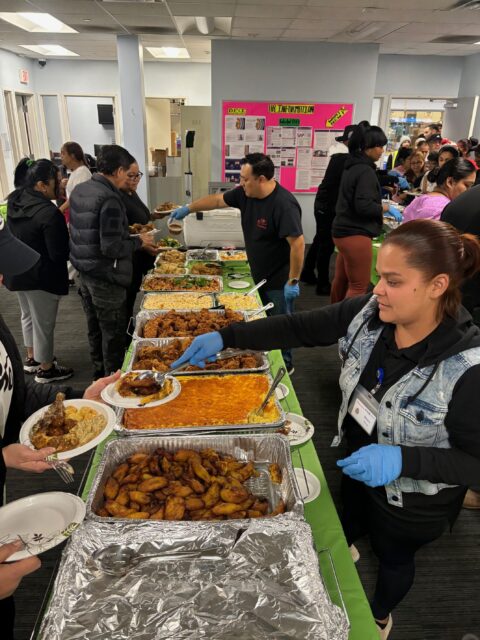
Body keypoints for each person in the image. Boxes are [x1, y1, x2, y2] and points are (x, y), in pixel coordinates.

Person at [172, 219, 480, 640]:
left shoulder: (467, 372)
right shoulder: (370, 314)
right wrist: (227, 337)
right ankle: (348, 544)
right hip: (355, 462)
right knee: (347, 520)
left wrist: (404, 459)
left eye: (392, 281)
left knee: (393, 556)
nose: (377, 290)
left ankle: (380, 616)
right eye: (378, 278)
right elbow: (300, 327)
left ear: (437, 285)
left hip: (411, 502)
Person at [169, 152, 304, 374]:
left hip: (280, 277)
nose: (240, 183)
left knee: (282, 324)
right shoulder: (245, 194)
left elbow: (297, 244)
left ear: (261, 179)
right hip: (258, 271)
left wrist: (293, 280)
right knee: (261, 321)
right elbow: (216, 200)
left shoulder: (284, 204)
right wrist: (189, 208)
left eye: (244, 179)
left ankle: (285, 364)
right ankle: (264, 356)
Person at [69, 145, 156, 378]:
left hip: (83, 274)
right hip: (106, 279)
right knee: (114, 336)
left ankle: (98, 374)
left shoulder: (80, 189)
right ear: (118, 170)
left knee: (94, 329)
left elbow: (87, 234)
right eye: (129, 173)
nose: (130, 178)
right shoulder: (110, 199)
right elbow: (111, 247)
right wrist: (139, 242)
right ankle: (112, 385)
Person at [4, 159, 73, 383]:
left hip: (17, 271)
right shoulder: (48, 213)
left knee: (28, 316)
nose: (60, 184)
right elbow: (59, 254)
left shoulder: (15, 201)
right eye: (56, 180)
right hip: (42, 275)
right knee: (43, 322)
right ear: (42, 185)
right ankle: (46, 369)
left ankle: (32, 358)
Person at [331, 121, 397, 303]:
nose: (382, 151)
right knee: (358, 286)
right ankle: (349, 326)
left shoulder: (351, 166)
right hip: (355, 233)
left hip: (342, 231)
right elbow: (364, 206)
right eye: (379, 146)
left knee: (342, 279)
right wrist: (383, 207)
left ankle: (332, 318)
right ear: (367, 147)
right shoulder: (365, 171)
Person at [301, 125, 356, 294]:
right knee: (326, 244)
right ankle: (323, 284)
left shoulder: (344, 158)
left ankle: (307, 272)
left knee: (320, 239)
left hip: (325, 204)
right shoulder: (343, 159)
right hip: (327, 206)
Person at [119, 160, 157, 339]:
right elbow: (126, 232)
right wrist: (143, 242)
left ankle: (129, 332)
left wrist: (157, 216)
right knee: (126, 303)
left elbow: (142, 219)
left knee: (132, 298)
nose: (135, 180)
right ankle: (127, 339)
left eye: (138, 175)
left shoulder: (131, 193)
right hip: (130, 258)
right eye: (130, 176)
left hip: (141, 255)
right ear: (119, 173)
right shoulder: (118, 198)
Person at [403, 158, 475, 223]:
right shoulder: (441, 208)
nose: (469, 191)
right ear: (450, 182)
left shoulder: (423, 198)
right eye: (467, 185)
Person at [59, 141, 91, 214]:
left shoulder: (82, 172)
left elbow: (77, 197)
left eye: (63, 153)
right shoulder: (76, 171)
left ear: (72, 155)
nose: (61, 157)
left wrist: (60, 210)